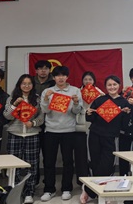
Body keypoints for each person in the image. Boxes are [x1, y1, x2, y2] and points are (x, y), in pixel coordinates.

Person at [83, 76, 132, 203]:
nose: (112, 87)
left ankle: (94, 191)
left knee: (107, 165)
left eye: (114, 84)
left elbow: (125, 125)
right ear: (105, 87)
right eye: (109, 85)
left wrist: (127, 114)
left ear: (119, 85)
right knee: (94, 163)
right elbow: (91, 119)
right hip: (95, 135)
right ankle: (94, 192)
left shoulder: (124, 102)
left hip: (111, 137)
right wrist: (88, 113)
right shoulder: (100, 100)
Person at [40, 65, 83, 202]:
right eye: (58, 75)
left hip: (69, 130)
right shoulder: (48, 91)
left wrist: (75, 103)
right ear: (53, 77)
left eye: (63, 75)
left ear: (67, 77)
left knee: (68, 161)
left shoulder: (75, 90)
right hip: (50, 130)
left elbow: (77, 111)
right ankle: (49, 189)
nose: (61, 78)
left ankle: (66, 188)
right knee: (49, 161)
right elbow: (45, 111)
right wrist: (46, 99)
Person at [3, 74, 44, 204]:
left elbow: (41, 117)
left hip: (32, 135)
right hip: (15, 134)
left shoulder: (36, 99)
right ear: (19, 85)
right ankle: (15, 191)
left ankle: (29, 192)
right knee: (14, 165)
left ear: (33, 85)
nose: (26, 86)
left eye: (29, 83)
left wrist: (33, 123)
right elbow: (7, 116)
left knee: (32, 165)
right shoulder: (11, 98)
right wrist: (15, 104)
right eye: (23, 83)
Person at [75, 71, 103, 181]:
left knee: (94, 152)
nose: (88, 82)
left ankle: (94, 175)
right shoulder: (77, 91)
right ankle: (82, 178)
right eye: (85, 79)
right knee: (81, 154)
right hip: (80, 124)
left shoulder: (98, 92)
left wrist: (100, 96)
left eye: (90, 79)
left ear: (94, 81)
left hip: (94, 124)